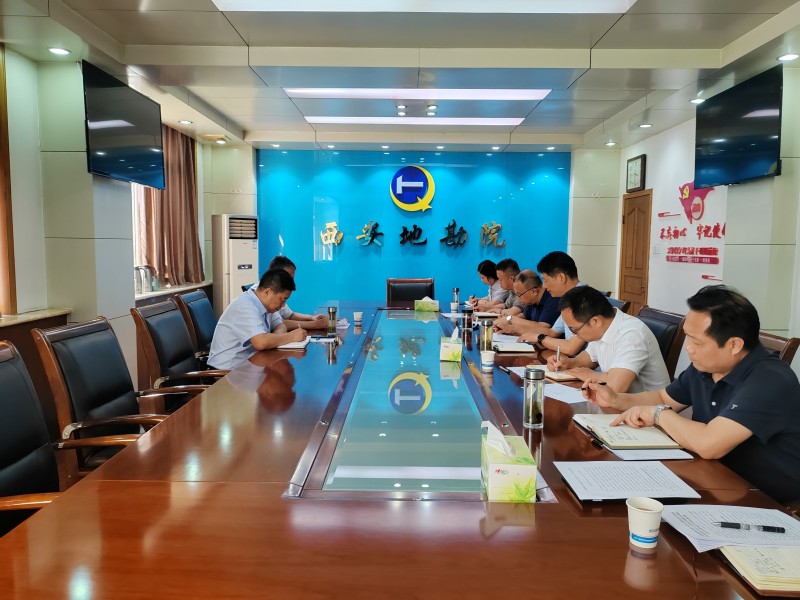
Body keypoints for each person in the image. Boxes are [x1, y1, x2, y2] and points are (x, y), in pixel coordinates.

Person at [583, 285, 800, 505]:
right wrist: (616, 399)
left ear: (734, 345)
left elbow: (709, 444)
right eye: (687, 337)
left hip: (766, 500)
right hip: (710, 478)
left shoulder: (770, 380)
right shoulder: (707, 367)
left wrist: (659, 415)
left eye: (697, 342)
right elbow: (663, 398)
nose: (688, 348)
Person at [546, 286, 670, 392]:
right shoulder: (603, 328)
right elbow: (586, 359)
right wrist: (568, 363)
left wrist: (590, 375)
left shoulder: (631, 335)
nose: (576, 335)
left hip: (645, 408)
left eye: (575, 330)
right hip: (618, 403)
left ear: (595, 321)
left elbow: (617, 387)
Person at [208, 269, 307, 370]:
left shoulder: (266, 305)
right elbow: (261, 343)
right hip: (227, 371)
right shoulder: (245, 306)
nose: (283, 305)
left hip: (249, 364)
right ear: (268, 292)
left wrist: (273, 340)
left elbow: (280, 325)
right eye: (282, 299)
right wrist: (291, 337)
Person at [265, 256, 327, 330]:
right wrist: (315, 324)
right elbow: (278, 323)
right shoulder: (266, 293)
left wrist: (312, 318)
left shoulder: (279, 291)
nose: (290, 282)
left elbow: (290, 315)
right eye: (287, 278)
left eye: (292, 279)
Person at [493, 270, 560, 335]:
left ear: (534, 291)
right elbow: (521, 317)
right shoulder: (532, 301)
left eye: (519, 294)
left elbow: (543, 327)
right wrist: (503, 324)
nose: (518, 299)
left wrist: (511, 319)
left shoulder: (553, 299)